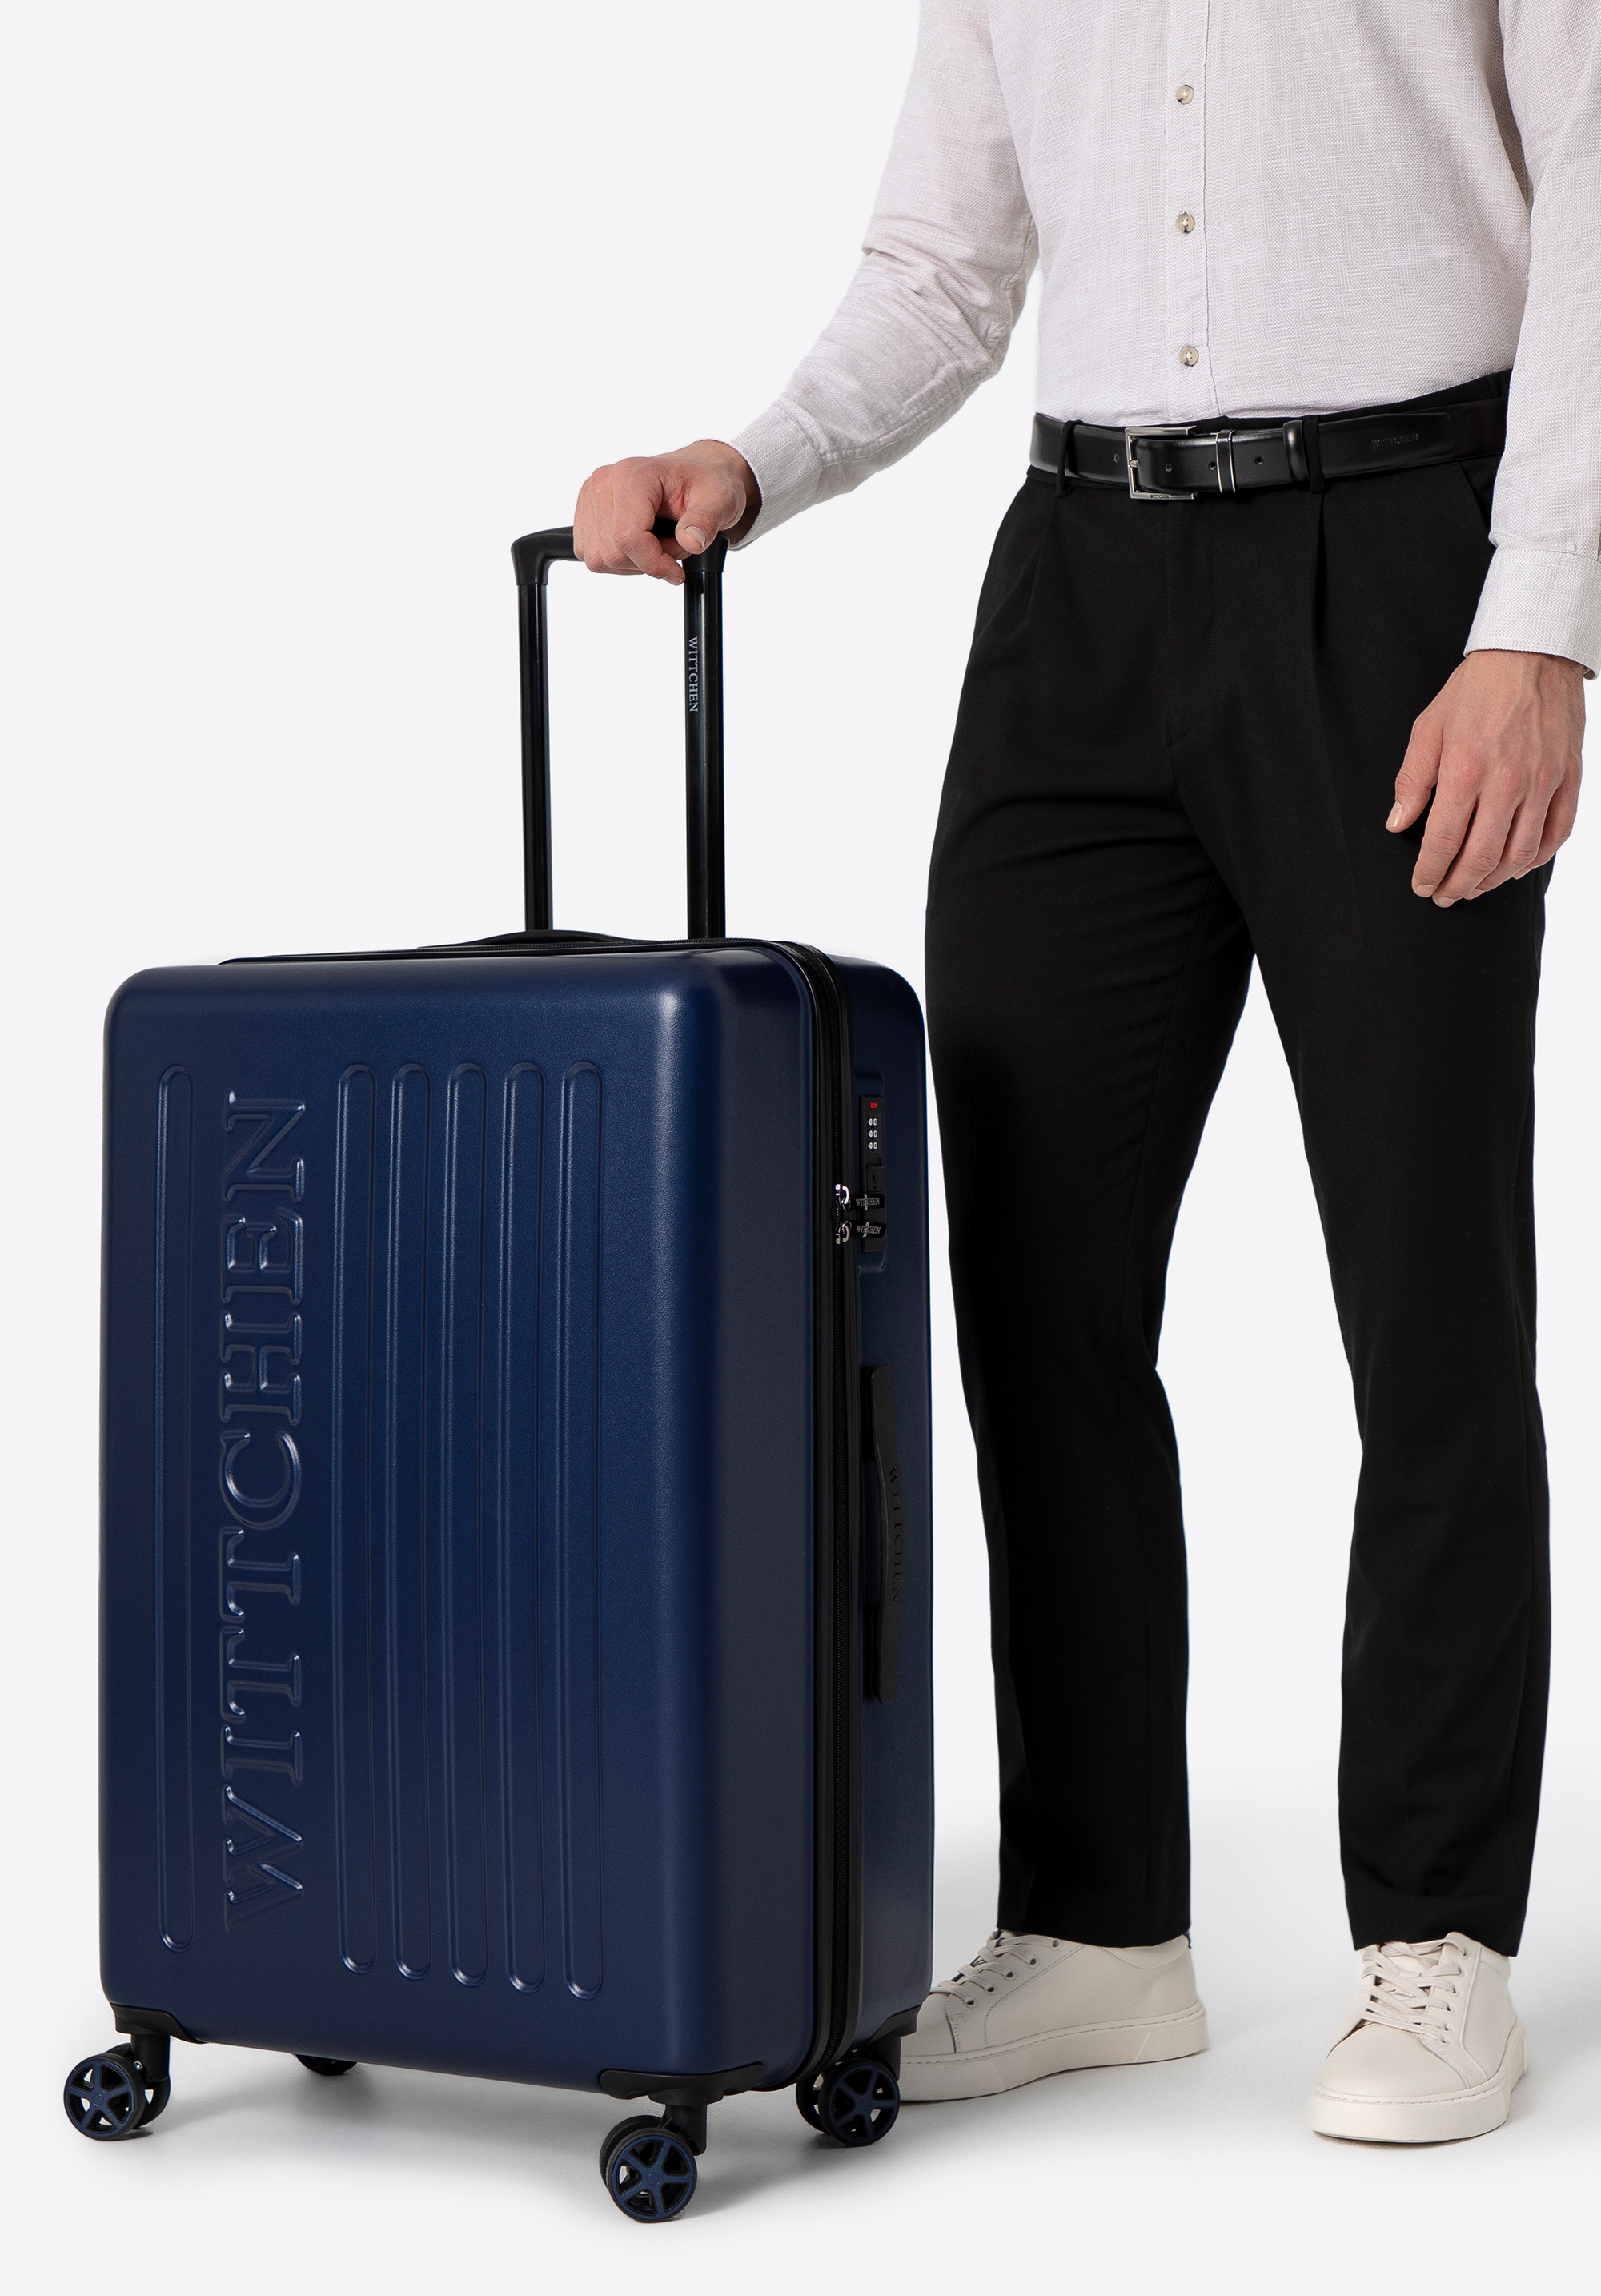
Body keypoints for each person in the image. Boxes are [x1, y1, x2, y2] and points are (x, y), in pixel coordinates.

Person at [573, 2, 1595, 2145]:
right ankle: (1102, 1924)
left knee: (1427, 1294)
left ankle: (1439, 1929)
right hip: (1081, 586)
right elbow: (946, 263)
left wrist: (1543, 621)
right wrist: (758, 456)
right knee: (1031, 1289)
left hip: (1406, 565)